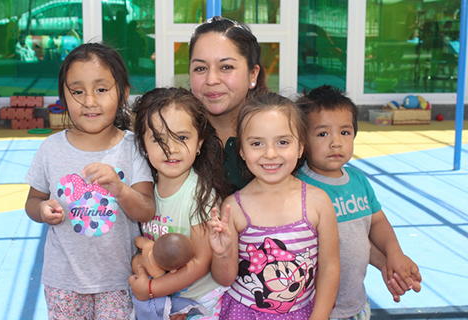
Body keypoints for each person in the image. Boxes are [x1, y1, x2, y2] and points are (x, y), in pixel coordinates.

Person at [24, 42, 156, 319]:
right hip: (63, 282)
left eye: (101, 89)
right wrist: (42, 210)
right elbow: (33, 201)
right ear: (63, 96)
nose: (90, 101)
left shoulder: (133, 147)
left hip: (119, 281)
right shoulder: (51, 148)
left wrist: (120, 189)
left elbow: (146, 209)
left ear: (123, 93)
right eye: (77, 91)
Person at [208, 92, 340, 319]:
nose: (270, 154)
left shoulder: (318, 202)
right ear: (241, 150)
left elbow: (329, 268)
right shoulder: (234, 208)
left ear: (300, 147)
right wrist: (220, 254)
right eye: (257, 143)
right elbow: (225, 279)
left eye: (283, 142)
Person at [295, 85, 422, 319]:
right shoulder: (297, 187)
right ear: (302, 141)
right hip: (314, 311)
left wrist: (392, 256)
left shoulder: (359, 181)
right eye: (323, 134)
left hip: (356, 305)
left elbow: (375, 224)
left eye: (345, 132)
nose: (336, 143)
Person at [129, 87, 229, 319]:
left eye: (182, 137)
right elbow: (142, 249)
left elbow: (201, 262)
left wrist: (152, 290)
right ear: (143, 145)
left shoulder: (201, 195)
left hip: (201, 302)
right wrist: (141, 269)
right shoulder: (144, 190)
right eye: (158, 139)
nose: (170, 149)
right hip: (164, 300)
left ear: (199, 143)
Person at [188, 16, 270, 191]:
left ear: (253, 74)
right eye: (200, 68)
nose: (211, 80)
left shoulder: (280, 134)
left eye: (226, 67)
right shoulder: (173, 136)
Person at [131, 233, 208, 319]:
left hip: (134, 265)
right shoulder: (159, 274)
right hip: (140, 279)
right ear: (173, 270)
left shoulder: (149, 245)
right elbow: (165, 292)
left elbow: (137, 239)